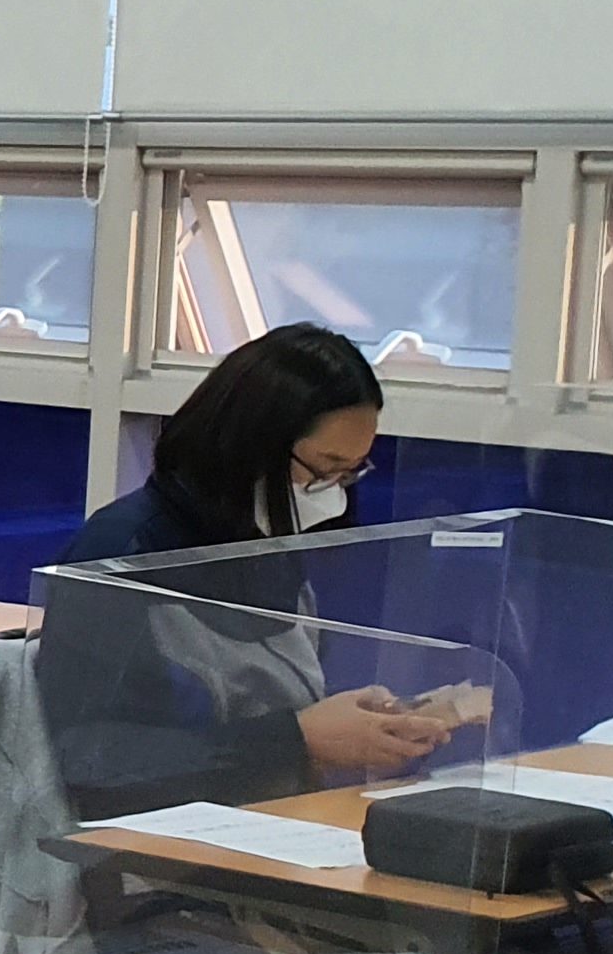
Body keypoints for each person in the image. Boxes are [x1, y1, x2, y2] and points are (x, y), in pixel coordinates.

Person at [41, 323, 451, 814]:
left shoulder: (270, 549)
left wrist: (368, 731)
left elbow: (284, 711)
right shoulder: (121, 555)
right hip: (153, 838)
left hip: (272, 816)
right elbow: (86, 757)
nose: (334, 496)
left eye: (350, 474)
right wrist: (298, 740)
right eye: (323, 471)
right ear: (249, 446)